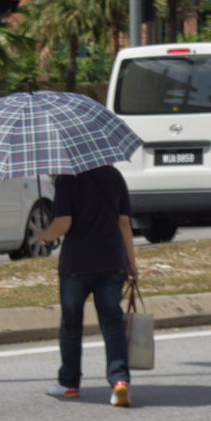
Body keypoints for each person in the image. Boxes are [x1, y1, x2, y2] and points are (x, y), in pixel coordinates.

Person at [38, 162, 139, 406]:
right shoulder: (114, 176)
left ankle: (69, 383)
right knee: (112, 322)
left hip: (76, 265)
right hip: (112, 261)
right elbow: (123, 222)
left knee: (71, 325)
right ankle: (119, 382)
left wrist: (44, 235)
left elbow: (63, 223)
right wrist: (132, 263)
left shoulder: (67, 179)